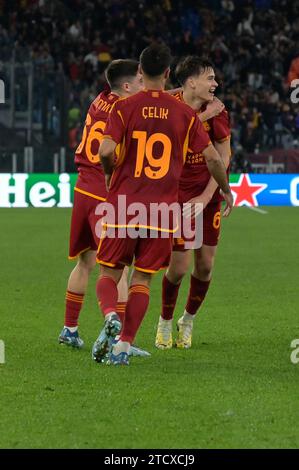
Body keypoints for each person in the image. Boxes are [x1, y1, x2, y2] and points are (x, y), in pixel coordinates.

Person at [93, 44, 233, 366]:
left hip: (125, 202)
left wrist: (109, 175)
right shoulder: (183, 113)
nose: (214, 85)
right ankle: (125, 346)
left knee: (109, 272)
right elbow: (214, 158)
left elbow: (104, 151)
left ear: (140, 73)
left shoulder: (125, 106)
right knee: (144, 278)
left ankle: (110, 313)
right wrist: (225, 189)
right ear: (171, 75)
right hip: (164, 208)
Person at [58, 59, 147, 357]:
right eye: (139, 81)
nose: (144, 86)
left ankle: (69, 329)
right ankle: (121, 339)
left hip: (82, 188)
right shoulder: (125, 111)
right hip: (104, 193)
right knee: (118, 269)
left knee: (85, 262)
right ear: (126, 86)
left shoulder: (100, 100)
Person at [155, 55, 232, 350]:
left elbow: (222, 156)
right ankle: (163, 321)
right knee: (177, 267)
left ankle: (187, 320)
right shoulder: (167, 103)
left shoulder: (220, 112)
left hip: (207, 195)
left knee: (205, 266)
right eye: (210, 78)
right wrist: (202, 117)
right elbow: (167, 137)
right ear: (190, 82)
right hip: (176, 196)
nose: (216, 84)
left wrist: (207, 195)